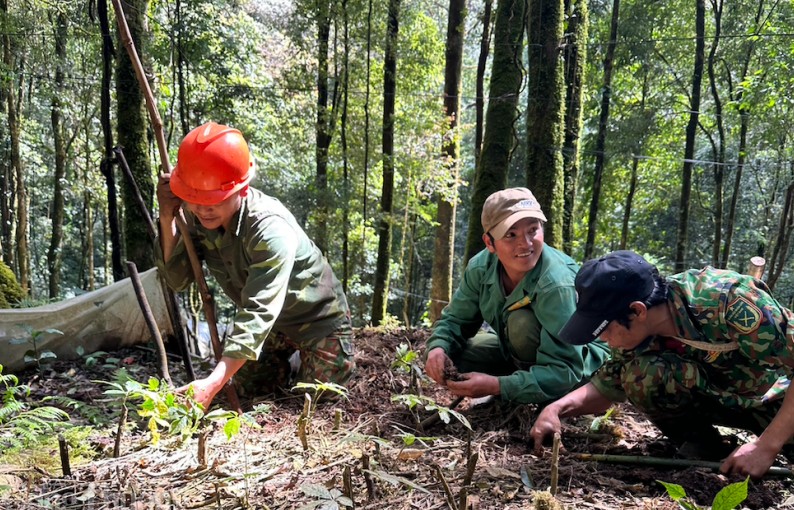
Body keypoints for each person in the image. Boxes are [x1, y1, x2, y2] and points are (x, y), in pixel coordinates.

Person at [529, 250, 794, 478]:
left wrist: (766, 446)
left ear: (637, 311)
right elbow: (607, 386)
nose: (606, 341)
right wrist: (556, 409)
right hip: (722, 399)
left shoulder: (730, 301)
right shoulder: (639, 335)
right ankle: (706, 449)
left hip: (776, 402)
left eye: (605, 330)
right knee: (639, 374)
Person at [156, 121, 354, 410]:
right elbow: (177, 280)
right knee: (249, 391)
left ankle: (306, 361)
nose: (204, 209)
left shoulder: (270, 229)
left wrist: (213, 381)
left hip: (317, 322)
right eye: (195, 199)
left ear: (243, 189)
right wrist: (167, 216)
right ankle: (288, 363)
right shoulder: (197, 216)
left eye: (215, 200)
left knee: (316, 406)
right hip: (273, 329)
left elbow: (258, 311)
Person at [424, 187, 610, 404]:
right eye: (511, 235)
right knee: (456, 356)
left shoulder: (556, 284)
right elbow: (456, 320)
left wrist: (496, 386)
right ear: (489, 243)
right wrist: (438, 347)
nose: (526, 243)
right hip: (516, 354)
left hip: (578, 368)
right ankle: (521, 385)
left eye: (533, 230)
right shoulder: (481, 268)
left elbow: (567, 368)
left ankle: (535, 396)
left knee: (521, 323)